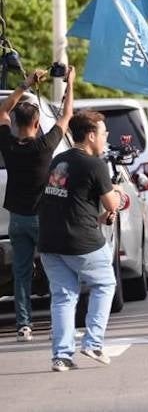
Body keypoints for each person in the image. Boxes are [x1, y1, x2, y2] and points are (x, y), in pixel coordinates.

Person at [38, 110, 122, 371]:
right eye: (103, 132)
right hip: (81, 242)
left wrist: (99, 217)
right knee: (105, 284)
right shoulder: (94, 164)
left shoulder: (58, 160)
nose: (106, 137)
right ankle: (93, 342)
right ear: (90, 135)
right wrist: (117, 192)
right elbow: (111, 203)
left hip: (50, 241)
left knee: (63, 297)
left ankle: (61, 356)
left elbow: (72, 202)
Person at [0, 66, 74, 342]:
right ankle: (59, 319)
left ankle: (24, 325)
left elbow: (2, 112)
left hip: (18, 220)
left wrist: (25, 85)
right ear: (36, 123)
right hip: (44, 218)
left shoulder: (8, 144)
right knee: (54, 268)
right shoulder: (45, 147)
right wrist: (71, 83)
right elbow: (66, 116)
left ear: (16, 124)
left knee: (21, 273)